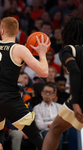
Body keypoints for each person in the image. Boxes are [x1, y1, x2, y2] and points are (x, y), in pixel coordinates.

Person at [0, 17, 50, 150]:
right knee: (35, 136)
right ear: (17, 31)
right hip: (9, 98)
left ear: (2, 31)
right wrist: (41, 53)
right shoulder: (19, 49)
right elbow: (44, 72)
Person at [42, 16, 83, 150]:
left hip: (80, 97)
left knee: (55, 129)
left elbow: (75, 72)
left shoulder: (69, 50)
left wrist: (76, 101)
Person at [34, 83, 63, 150]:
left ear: (53, 95)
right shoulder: (37, 108)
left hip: (58, 130)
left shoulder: (60, 107)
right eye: (46, 92)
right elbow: (39, 125)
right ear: (42, 93)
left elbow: (62, 121)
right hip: (45, 130)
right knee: (53, 134)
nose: (47, 94)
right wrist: (51, 125)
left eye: (50, 92)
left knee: (60, 133)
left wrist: (54, 125)